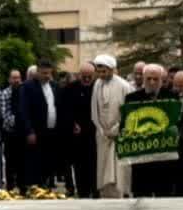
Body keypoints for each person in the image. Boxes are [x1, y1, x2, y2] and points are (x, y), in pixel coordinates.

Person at [125, 64, 177, 196]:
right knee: (141, 195)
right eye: (148, 79)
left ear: (161, 79)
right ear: (143, 79)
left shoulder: (172, 97)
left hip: (164, 157)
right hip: (142, 156)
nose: (152, 82)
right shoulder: (132, 98)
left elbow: (175, 124)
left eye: (155, 79)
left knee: (164, 195)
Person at [91, 54, 132, 198]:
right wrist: (101, 129)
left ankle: (120, 196)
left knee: (118, 170)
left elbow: (129, 112)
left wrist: (115, 130)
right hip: (102, 135)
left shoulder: (124, 86)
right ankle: (105, 196)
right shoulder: (97, 84)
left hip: (119, 135)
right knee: (103, 169)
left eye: (104, 71)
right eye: (99, 71)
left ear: (112, 69)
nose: (101, 75)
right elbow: (94, 109)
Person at [20, 60, 60, 189]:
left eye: (49, 73)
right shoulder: (27, 87)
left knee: (49, 161)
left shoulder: (54, 86)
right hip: (36, 132)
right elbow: (24, 110)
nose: (47, 76)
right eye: (44, 73)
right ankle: (33, 187)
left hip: (52, 131)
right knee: (35, 162)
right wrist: (29, 131)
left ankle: (45, 186)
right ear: (37, 72)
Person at [62, 63, 97, 197]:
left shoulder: (98, 87)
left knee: (94, 165)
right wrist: (72, 123)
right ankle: (82, 192)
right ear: (79, 75)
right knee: (79, 166)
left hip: (94, 134)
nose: (87, 79)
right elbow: (64, 110)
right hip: (77, 136)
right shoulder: (69, 89)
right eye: (84, 76)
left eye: (90, 77)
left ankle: (96, 191)